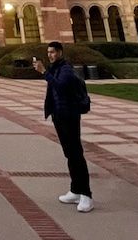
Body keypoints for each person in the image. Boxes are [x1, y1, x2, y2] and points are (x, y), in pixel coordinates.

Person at [33, 41, 93, 213]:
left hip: (69, 116)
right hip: (60, 116)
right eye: (48, 52)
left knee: (76, 155)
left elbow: (60, 86)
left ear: (59, 52)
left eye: (52, 52)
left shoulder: (65, 69)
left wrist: (44, 72)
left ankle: (86, 195)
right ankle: (75, 190)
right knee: (70, 154)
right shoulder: (57, 68)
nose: (50, 55)